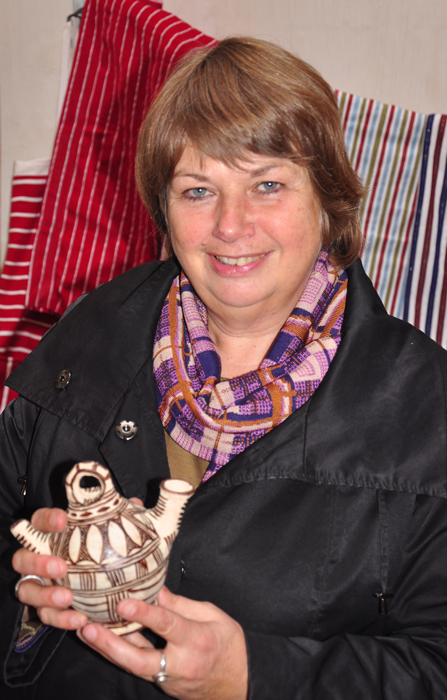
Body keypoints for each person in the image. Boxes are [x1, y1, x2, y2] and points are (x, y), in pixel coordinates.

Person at [1, 36, 447, 700]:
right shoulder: (90, 335)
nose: (230, 226)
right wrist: (29, 601)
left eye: (267, 184)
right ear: (165, 208)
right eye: (197, 190)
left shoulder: (427, 407)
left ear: (328, 201)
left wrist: (254, 675)